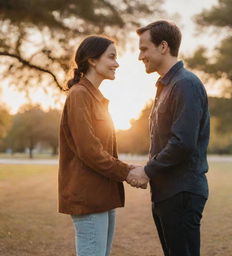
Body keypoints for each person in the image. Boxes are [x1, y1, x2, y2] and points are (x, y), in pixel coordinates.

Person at [58, 35, 147, 256]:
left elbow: (100, 149)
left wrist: (127, 167)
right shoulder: (79, 95)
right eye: (112, 57)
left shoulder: (95, 97)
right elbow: (89, 150)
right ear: (92, 60)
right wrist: (126, 172)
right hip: (88, 198)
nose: (117, 63)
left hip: (103, 196)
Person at [131, 20, 210, 256]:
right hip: (166, 192)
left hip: (182, 192)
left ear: (163, 46)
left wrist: (147, 171)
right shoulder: (167, 86)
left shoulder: (186, 84)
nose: (139, 56)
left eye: (144, 49)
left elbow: (182, 143)